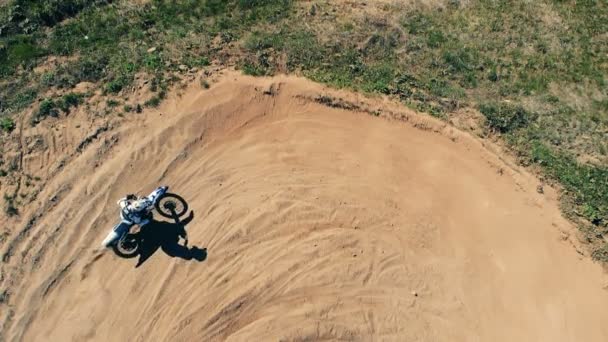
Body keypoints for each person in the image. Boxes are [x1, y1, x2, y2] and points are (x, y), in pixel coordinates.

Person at [101, 186, 168, 248]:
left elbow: (119, 201)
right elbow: (140, 222)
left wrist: (128, 197)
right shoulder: (136, 218)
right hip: (128, 221)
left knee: (145, 218)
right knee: (147, 221)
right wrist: (147, 217)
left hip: (124, 214)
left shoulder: (125, 205)